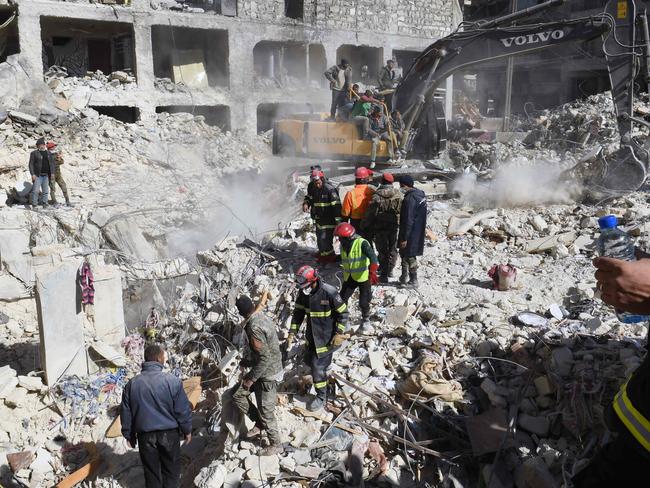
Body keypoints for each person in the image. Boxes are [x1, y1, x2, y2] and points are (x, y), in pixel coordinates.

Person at [120, 344, 192, 488]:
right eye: (164, 357)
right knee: (171, 472)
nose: (165, 360)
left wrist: (129, 435)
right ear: (159, 358)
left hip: (145, 437)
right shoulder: (172, 381)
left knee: (151, 474)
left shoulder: (132, 384)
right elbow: (182, 410)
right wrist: (187, 430)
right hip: (169, 435)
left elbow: (126, 412)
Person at [287, 266, 349, 411]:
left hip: (328, 340)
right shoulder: (304, 293)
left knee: (317, 368)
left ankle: (322, 396)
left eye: (306, 285)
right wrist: (292, 333)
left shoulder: (329, 292)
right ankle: (326, 376)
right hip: (312, 337)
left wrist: (339, 333)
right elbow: (298, 314)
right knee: (309, 361)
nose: (304, 289)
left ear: (313, 280)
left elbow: (343, 314)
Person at [231, 295, 283, 455]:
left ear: (240, 313)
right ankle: (259, 422)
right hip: (263, 368)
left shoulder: (253, 327)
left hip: (268, 374)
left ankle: (276, 444)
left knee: (266, 411)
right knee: (238, 395)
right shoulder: (260, 315)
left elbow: (265, 357)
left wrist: (250, 378)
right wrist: (247, 363)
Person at [335, 222, 379, 331]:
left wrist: (372, 272)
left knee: (364, 302)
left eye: (340, 238)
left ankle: (365, 320)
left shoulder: (362, 243)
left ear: (348, 237)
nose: (339, 240)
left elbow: (374, 259)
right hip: (349, 277)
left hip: (363, 277)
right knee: (341, 299)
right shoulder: (343, 245)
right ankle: (344, 321)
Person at [361, 173, 402, 283]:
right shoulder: (399, 194)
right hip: (393, 226)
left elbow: (370, 213)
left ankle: (383, 275)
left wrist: (364, 224)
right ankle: (390, 270)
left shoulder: (377, 196)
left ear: (382, 181)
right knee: (392, 248)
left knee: (382, 250)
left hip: (380, 227)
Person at [303, 168, 341, 263]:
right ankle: (323, 254)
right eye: (314, 182)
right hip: (319, 220)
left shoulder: (330, 190)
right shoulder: (314, 188)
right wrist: (306, 203)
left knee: (325, 240)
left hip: (329, 221)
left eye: (318, 181)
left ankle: (330, 257)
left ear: (322, 179)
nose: (316, 183)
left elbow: (337, 207)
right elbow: (309, 197)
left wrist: (338, 222)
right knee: (320, 239)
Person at [397, 175, 427, 287]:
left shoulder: (410, 199)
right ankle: (403, 277)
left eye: (401, 185)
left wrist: (404, 238)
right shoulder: (420, 195)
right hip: (418, 230)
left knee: (409, 255)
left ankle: (414, 280)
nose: (400, 187)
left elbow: (408, 220)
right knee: (406, 254)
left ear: (404, 185)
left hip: (410, 233)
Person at [341, 166, 375, 236]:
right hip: (370, 222)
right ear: (366, 179)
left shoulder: (350, 193)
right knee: (368, 242)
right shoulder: (372, 191)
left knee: (357, 243)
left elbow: (345, 213)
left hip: (356, 224)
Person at [28, 137, 55, 208]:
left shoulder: (48, 153)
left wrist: (52, 173)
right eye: (39, 145)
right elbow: (31, 164)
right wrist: (32, 174)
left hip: (46, 175)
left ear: (44, 145)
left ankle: (45, 204)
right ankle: (34, 204)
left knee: (45, 191)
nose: (41, 146)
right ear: (38, 146)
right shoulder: (34, 153)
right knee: (35, 191)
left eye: (42, 144)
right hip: (37, 175)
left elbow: (52, 164)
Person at [46, 141, 71, 207]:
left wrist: (59, 158)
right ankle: (55, 202)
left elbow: (62, 162)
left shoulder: (56, 154)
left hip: (58, 174)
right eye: (53, 146)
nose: (55, 147)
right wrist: (57, 160)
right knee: (53, 189)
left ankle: (67, 201)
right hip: (51, 175)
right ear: (51, 148)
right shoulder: (46, 155)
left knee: (64, 186)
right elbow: (50, 165)